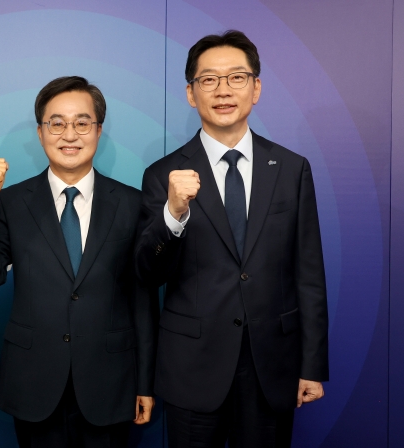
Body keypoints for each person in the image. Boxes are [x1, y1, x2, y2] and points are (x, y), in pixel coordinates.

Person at [135, 30, 329, 447]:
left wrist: (312, 365)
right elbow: (148, 273)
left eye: (237, 77)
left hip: (272, 364)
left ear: (256, 88)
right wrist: (173, 212)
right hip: (193, 366)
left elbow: (309, 274)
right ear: (191, 93)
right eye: (208, 80)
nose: (223, 90)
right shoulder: (162, 174)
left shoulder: (291, 169)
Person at [0, 76, 159, 448]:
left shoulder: (132, 204)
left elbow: (143, 300)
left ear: (98, 130)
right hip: (33, 382)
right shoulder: (11, 202)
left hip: (111, 382)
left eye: (82, 123)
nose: (70, 134)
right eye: (57, 123)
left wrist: (145, 383)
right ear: (40, 133)